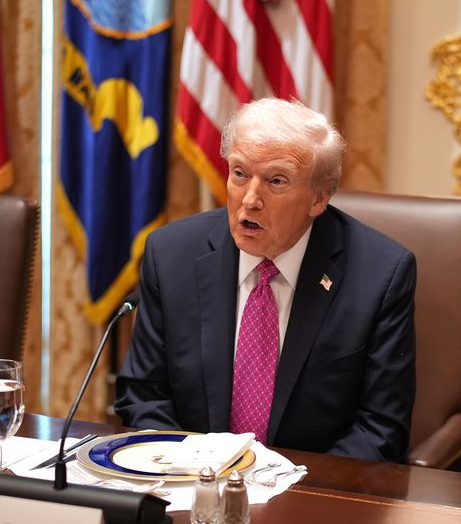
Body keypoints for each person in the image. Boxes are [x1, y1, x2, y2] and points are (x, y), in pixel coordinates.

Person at [116, 98, 415, 462]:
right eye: (239, 174)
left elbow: (380, 428)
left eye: (276, 181)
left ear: (320, 197)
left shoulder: (379, 275)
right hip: (191, 488)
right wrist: (192, 474)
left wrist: (292, 492)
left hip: (310, 499)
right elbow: (144, 395)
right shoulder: (171, 255)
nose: (250, 200)